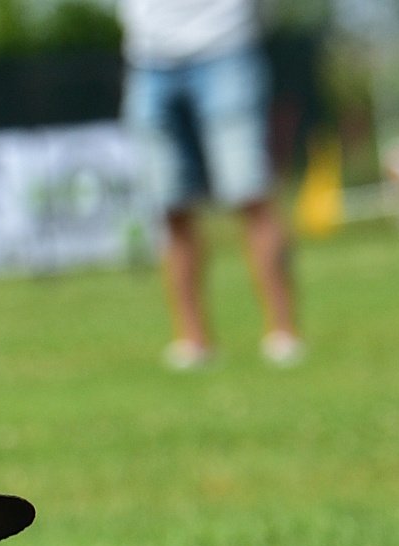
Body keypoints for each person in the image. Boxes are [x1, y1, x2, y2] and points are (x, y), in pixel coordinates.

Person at [120, 0, 303, 368]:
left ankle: (284, 334)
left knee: (251, 195)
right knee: (170, 207)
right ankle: (193, 343)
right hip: (148, 57)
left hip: (226, 47)